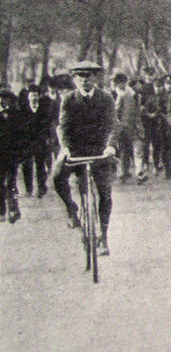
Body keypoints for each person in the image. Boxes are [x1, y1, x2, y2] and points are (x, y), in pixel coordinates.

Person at [52, 61, 119, 255]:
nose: (84, 80)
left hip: (100, 151)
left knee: (105, 193)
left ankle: (103, 237)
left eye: (88, 76)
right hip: (74, 150)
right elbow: (62, 126)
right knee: (57, 176)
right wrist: (64, 148)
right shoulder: (68, 99)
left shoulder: (105, 98)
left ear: (95, 78)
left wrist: (110, 146)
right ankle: (71, 209)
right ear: (74, 79)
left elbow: (113, 124)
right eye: (80, 77)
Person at [21, 85, 57, 198]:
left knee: (40, 165)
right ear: (28, 97)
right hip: (27, 142)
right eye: (31, 96)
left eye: (36, 95)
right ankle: (29, 189)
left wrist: (45, 138)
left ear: (39, 96)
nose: (34, 98)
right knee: (26, 165)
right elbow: (20, 125)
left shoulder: (44, 109)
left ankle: (41, 188)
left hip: (40, 141)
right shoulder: (23, 109)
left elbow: (46, 125)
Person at [113, 73, 148, 184]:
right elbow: (115, 113)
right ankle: (123, 174)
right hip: (123, 128)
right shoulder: (116, 94)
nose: (120, 85)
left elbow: (137, 111)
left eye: (122, 82)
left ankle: (139, 174)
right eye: (118, 83)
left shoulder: (133, 94)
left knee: (137, 150)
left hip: (135, 127)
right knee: (124, 152)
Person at [0, 88, 28, 224]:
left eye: (5, 98)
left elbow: (22, 136)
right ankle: (1, 211)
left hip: (11, 156)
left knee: (12, 183)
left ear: (10, 100)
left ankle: (14, 209)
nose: (1, 101)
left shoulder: (17, 115)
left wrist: (21, 153)